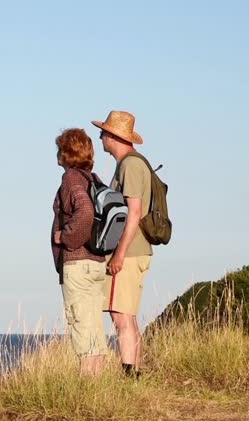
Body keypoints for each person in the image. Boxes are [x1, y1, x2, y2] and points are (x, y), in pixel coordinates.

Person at [92, 111, 152, 377]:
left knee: (120, 317)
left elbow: (134, 213)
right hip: (135, 251)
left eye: (104, 132)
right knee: (128, 315)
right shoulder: (130, 165)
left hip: (129, 252)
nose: (101, 137)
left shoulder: (131, 165)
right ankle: (135, 373)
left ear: (114, 136)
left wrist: (118, 254)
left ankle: (129, 377)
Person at [51, 128, 109, 375]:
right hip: (96, 263)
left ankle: (88, 394)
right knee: (94, 331)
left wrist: (66, 237)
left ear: (66, 153)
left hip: (79, 264)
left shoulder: (72, 178)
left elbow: (85, 212)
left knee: (83, 332)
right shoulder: (92, 178)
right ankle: (96, 389)